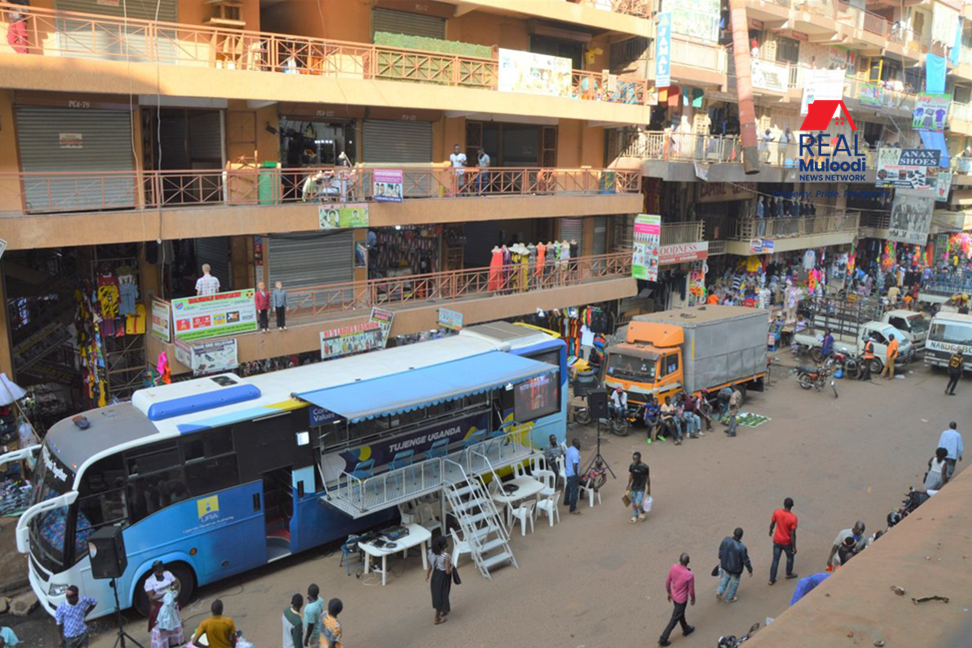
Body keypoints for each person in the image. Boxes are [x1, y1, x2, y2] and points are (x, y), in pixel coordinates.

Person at [659, 553, 695, 646]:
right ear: (688, 562)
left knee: (680, 614)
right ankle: (663, 638)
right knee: (675, 618)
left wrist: (669, 593)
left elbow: (667, 582)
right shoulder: (689, 574)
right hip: (682, 600)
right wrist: (693, 598)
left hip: (675, 597)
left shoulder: (673, 567)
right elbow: (691, 590)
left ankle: (686, 628)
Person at [716, 528, 753, 603]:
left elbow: (721, 550)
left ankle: (719, 591)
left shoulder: (726, 540)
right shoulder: (742, 548)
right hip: (736, 570)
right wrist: (750, 569)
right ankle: (729, 598)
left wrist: (721, 558)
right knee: (734, 583)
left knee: (725, 578)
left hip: (725, 566)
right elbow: (746, 560)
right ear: (741, 536)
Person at [768, 497, 798, 585]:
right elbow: (793, 534)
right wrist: (794, 547)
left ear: (783, 504)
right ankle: (788, 573)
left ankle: (771, 579)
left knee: (775, 560)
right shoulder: (793, 518)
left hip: (777, 540)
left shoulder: (777, 512)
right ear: (792, 506)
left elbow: (772, 523)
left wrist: (770, 530)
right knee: (789, 558)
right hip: (787, 542)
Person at [144, 561, 180, 633]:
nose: (160, 572)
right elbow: (152, 597)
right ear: (155, 571)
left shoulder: (167, 574)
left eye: (161, 570)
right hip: (159, 603)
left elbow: (176, 583)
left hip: (170, 601)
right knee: (163, 622)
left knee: (174, 618)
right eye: (158, 571)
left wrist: (172, 588)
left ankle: (175, 640)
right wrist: (165, 593)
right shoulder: (149, 581)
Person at [426, 535, 453, 625]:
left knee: (438, 594)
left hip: (435, 575)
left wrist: (427, 575)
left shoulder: (433, 553)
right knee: (442, 595)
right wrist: (451, 567)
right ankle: (437, 618)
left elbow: (430, 565)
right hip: (443, 577)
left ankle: (443, 610)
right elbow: (447, 572)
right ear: (444, 546)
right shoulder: (446, 556)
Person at [626, 452, 651, 524]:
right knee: (633, 503)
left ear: (640, 458)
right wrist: (628, 484)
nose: (634, 461)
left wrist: (649, 488)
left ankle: (642, 512)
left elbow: (647, 478)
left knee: (638, 503)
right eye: (633, 459)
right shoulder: (632, 466)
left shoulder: (645, 467)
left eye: (636, 459)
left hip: (641, 487)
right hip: (634, 487)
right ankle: (635, 515)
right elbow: (631, 475)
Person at [563, 438, 582, 515]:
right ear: (576, 444)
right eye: (579, 443)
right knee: (574, 491)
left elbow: (565, 455)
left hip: (568, 473)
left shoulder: (569, 449)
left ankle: (566, 501)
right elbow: (575, 465)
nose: (580, 445)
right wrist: (577, 475)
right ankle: (573, 509)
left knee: (568, 487)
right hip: (573, 474)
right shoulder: (575, 453)